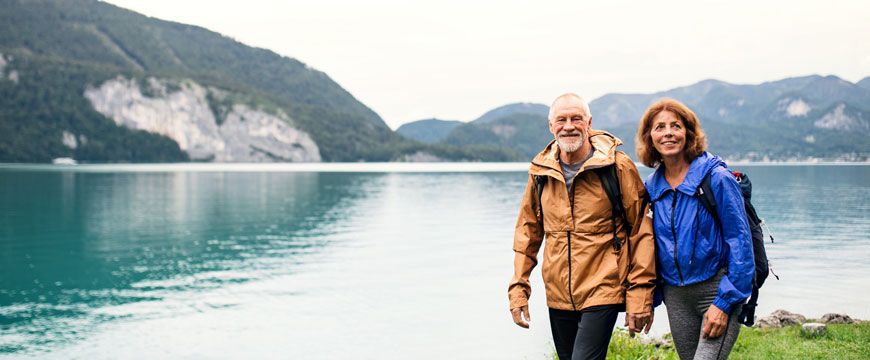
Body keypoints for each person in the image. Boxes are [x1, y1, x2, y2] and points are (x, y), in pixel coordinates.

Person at [508, 93, 657, 360]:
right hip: (558, 292)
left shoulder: (617, 166)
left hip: (604, 287)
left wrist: (641, 293)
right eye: (561, 120)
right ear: (551, 126)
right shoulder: (541, 172)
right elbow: (528, 232)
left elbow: (641, 232)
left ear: (589, 123)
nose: (569, 126)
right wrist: (519, 287)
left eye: (576, 119)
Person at [636, 98, 754, 359]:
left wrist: (724, 303)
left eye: (676, 126)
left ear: (688, 134)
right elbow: (651, 247)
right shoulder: (652, 187)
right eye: (659, 127)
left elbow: (741, 244)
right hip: (676, 297)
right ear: (650, 137)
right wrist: (646, 299)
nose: (668, 132)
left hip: (716, 289)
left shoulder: (717, 179)